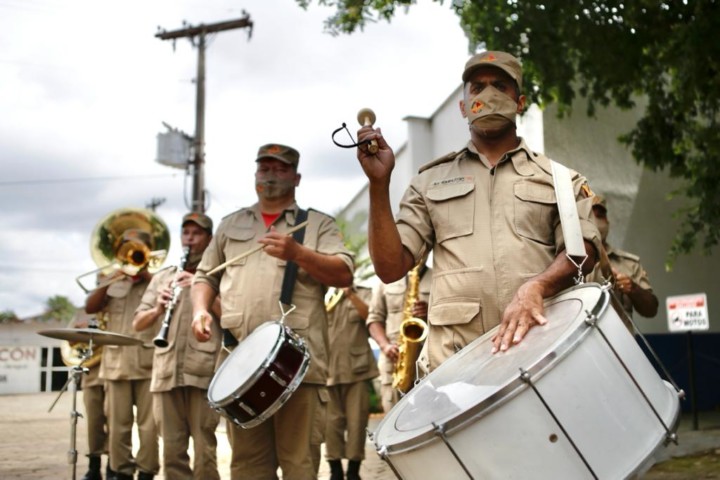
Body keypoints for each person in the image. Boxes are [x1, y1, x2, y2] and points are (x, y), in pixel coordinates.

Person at [356, 50, 602, 369]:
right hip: (455, 365)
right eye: (478, 87)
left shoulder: (560, 179)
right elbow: (390, 268)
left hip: (539, 352)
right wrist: (379, 185)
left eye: (500, 86)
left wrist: (538, 286)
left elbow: (583, 252)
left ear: (520, 102)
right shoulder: (429, 181)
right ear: (463, 107)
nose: (488, 95)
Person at [190, 143, 354, 480]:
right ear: (255, 175)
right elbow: (205, 276)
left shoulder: (317, 224)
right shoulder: (230, 224)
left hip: (298, 366)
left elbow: (343, 274)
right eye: (264, 168)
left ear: (296, 178)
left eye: (280, 168)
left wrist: (298, 253)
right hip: (239, 365)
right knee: (247, 468)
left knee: (299, 466)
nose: (270, 175)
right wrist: (200, 310)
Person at [133, 212, 222, 479]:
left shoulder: (220, 274)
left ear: (209, 238)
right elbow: (138, 323)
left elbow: (232, 316)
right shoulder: (163, 277)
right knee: (172, 451)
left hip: (203, 371)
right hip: (166, 373)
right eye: (186, 233)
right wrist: (158, 309)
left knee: (205, 450)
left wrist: (200, 287)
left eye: (197, 233)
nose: (190, 239)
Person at [85, 230, 159, 480]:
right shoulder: (110, 279)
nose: (131, 252)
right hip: (116, 364)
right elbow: (91, 307)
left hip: (148, 363)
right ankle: (121, 472)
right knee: (118, 425)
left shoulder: (156, 279)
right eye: (127, 247)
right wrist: (108, 281)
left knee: (149, 426)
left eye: (137, 247)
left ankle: (147, 472)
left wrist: (146, 274)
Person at [323, 284, 379, 480]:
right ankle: (335, 470)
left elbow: (372, 319)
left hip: (357, 369)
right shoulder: (322, 292)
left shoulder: (365, 293)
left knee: (357, 423)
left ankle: (354, 470)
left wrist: (351, 295)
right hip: (328, 369)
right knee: (330, 424)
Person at [366, 265, 431, 413]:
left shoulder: (437, 278)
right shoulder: (385, 280)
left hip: (427, 361)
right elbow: (374, 319)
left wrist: (429, 312)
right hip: (394, 362)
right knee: (392, 416)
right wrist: (385, 346)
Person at [589, 195, 659, 322]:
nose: (596, 222)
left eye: (600, 216)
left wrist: (633, 288)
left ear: (607, 221)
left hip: (620, 334)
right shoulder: (568, 261)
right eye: (590, 216)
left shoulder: (628, 263)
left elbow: (651, 309)